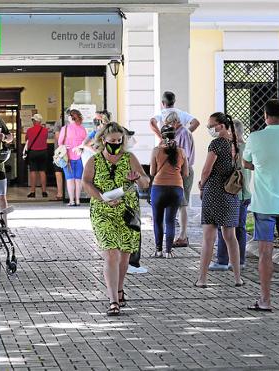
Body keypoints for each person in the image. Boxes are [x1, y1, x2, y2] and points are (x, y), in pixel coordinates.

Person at [82, 122, 150, 316]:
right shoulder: (94, 161)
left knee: (124, 256)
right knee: (111, 254)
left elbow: (146, 182)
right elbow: (86, 183)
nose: (116, 144)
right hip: (103, 210)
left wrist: (138, 178)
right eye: (112, 141)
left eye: (119, 140)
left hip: (127, 211)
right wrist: (102, 197)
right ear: (103, 140)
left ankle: (119, 289)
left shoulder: (130, 158)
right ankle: (113, 300)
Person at [243, 99, 279, 311]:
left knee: (265, 252)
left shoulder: (255, 137)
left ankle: (265, 300)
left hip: (264, 204)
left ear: (265, 116)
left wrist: (259, 166)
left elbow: (246, 162)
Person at [195, 112, 244, 288]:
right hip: (230, 194)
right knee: (230, 236)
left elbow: (207, 169)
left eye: (211, 125)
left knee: (209, 237)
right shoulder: (235, 144)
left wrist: (201, 185)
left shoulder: (216, 143)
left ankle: (202, 278)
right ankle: (238, 277)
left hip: (214, 191)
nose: (209, 129)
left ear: (221, 126)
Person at [150, 91, 199, 248]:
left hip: (181, 172)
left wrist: (160, 138)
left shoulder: (182, 133)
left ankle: (183, 235)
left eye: (166, 125)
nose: (165, 127)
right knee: (178, 204)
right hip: (181, 171)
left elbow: (182, 157)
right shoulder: (182, 131)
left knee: (182, 203)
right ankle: (178, 236)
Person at [209, 119, 252, 271]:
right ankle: (239, 261)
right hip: (245, 193)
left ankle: (222, 260)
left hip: (230, 193)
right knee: (239, 228)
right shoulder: (248, 148)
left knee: (224, 227)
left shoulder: (230, 149)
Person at [150, 120, 188, 258]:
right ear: (174, 136)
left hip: (158, 188)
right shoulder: (181, 152)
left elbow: (152, 172)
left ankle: (158, 250)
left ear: (162, 136)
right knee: (170, 220)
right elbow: (186, 173)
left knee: (158, 220)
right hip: (176, 188)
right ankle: (168, 251)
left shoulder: (156, 151)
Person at [58, 108, 88, 206]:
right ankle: (78, 200)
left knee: (70, 180)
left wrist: (64, 146)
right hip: (80, 157)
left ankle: (72, 201)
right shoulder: (82, 129)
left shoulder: (65, 128)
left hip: (68, 157)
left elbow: (60, 142)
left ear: (71, 117)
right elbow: (86, 142)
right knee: (78, 180)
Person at [24, 113, 49, 198]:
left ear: (35, 121)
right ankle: (44, 191)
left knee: (33, 171)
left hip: (33, 152)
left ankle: (32, 192)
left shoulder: (29, 130)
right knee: (42, 171)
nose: (32, 122)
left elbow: (26, 139)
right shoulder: (45, 130)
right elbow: (45, 139)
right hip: (43, 152)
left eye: (33, 120)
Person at [53, 112, 65, 200]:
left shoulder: (58, 123)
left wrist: (62, 146)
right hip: (71, 151)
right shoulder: (73, 124)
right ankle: (69, 193)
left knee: (58, 172)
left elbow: (57, 137)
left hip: (59, 151)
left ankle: (60, 193)